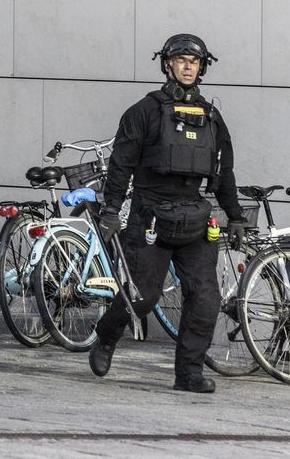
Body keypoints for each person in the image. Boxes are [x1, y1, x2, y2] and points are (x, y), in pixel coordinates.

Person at [87, 33, 248, 393]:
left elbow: (224, 172)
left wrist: (235, 216)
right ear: (168, 65)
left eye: (194, 61)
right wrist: (111, 210)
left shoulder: (212, 117)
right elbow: (120, 166)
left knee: (206, 299)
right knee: (143, 298)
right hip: (151, 218)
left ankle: (188, 374)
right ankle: (107, 336)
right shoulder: (143, 112)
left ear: (202, 67)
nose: (188, 66)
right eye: (181, 60)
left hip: (194, 217)